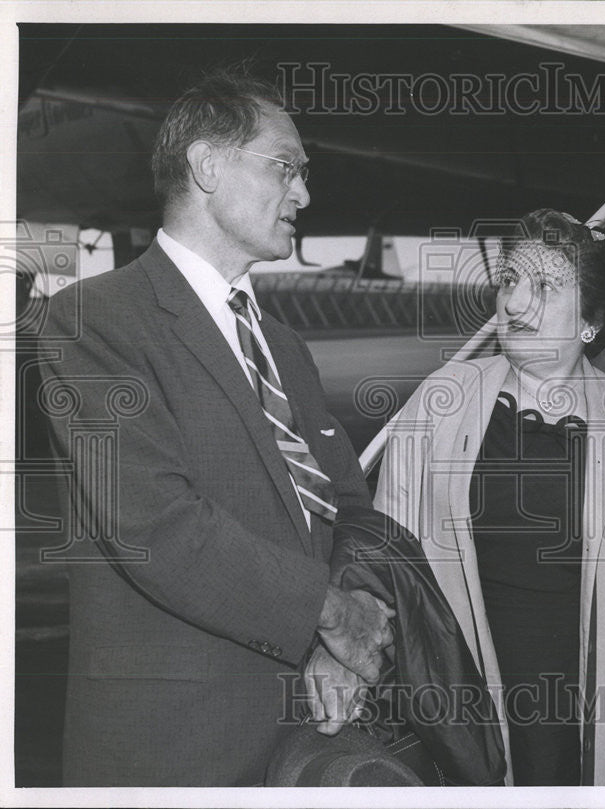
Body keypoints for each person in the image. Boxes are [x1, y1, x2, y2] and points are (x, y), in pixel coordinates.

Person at [37, 68, 394, 786]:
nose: (304, 193)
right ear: (207, 165)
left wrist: (339, 637)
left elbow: (348, 508)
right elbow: (161, 530)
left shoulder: (283, 347)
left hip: (306, 732)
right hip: (174, 752)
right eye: (285, 167)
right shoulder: (94, 322)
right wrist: (327, 612)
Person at [374, 209, 605, 786]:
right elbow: (386, 551)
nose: (514, 303)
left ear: (590, 321)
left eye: (545, 286)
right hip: (463, 702)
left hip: (588, 706)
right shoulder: (444, 397)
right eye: (509, 280)